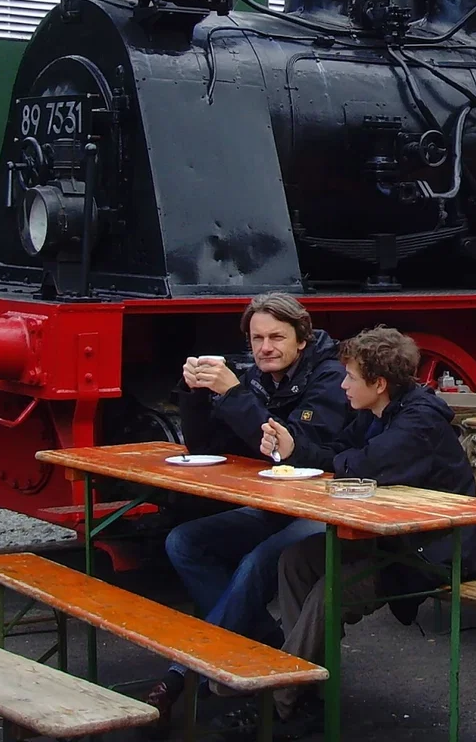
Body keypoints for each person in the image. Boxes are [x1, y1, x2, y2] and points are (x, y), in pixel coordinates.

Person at [222, 326, 476, 739]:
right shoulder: (374, 413)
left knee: (331, 592)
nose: (343, 385)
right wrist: (293, 447)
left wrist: (329, 457)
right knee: (294, 560)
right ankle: (306, 690)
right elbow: (336, 457)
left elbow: (361, 465)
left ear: (379, 384)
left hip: (431, 552)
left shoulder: (419, 421)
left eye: (351, 378)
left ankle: (279, 698)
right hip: (388, 540)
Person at [143, 293, 350, 733]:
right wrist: (195, 393)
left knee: (258, 563)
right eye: (257, 338)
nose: (265, 347)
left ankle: (184, 672)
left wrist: (234, 393)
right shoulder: (258, 376)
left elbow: (292, 450)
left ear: (303, 338)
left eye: (277, 337)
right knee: (185, 541)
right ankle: (271, 648)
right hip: (274, 506)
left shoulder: (331, 376)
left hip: (322, 509)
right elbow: (206, 448)